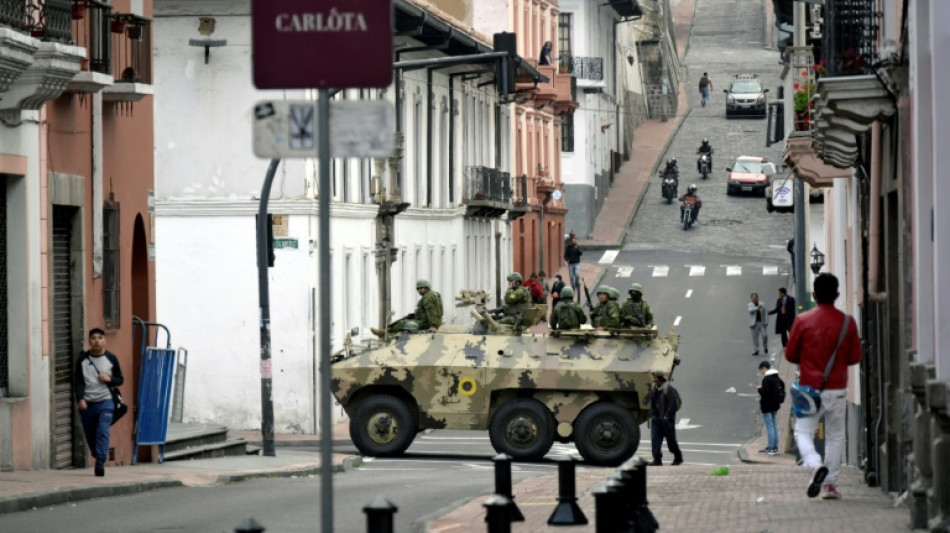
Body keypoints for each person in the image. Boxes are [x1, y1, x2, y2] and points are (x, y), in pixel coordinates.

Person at [785, 273, 862, 500]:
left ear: (815, 295)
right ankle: (829, 485)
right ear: (837, 294)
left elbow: (790, 354)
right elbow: (854, 357)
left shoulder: (803, 321)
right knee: (836, 435)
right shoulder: (848, 322)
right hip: (837, 389)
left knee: (803, 431)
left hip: (810, 389)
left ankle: (814, 464)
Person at [73, 328, 124, 477]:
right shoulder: (82, 360)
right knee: (90, 434)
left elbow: (120, 380)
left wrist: (110, 379)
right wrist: (80, 399)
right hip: (87, 403)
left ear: (105, 341)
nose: (97, 341)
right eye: (93, 338)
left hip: (106, 401)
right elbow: (79, 382)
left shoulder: (111, 359)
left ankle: (100, 462)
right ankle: (97, 453)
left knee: (103, 430)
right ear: (89, 341)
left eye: (100, 338)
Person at [372, 279, 443, 336]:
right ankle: (387, 331)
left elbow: (431, 311)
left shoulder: (427, 297)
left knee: (403, 323)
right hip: (428, 321)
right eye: (419, 289)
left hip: (426, 323)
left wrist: (433, 326)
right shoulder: (433, 295)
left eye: (423, 288)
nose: (420, 290)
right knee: (404, 320)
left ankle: (385, 332)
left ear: (427, 288)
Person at [648, 371, 683, 466]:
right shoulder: (654, 388)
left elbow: (673, 404)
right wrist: (653, 414)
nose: (654, 379)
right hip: (656, 419)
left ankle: (678, 457)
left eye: (655, 378)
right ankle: (657, 459)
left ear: (660, 379)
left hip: (667, 420)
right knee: (655, 440)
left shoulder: (669, 389)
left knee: (671, 442)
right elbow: (652, 402)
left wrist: (667, 416)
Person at [757, 360, 785, 456]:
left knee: (769, 426)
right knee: (774, 426)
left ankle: (771, 447)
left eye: (761, 370)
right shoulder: (776, 378)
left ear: (764, 368)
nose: (762, 372)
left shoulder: (766, 379)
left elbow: (765, 393)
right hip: (775, 405)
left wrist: (759, 389)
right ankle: (774, 447)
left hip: (767, 405)